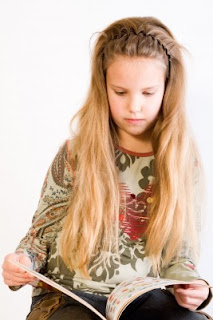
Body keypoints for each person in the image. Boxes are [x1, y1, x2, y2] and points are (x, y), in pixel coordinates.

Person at [2, 16, 212, 320]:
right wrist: (22, 261)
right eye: (121, 92)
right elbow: (40, 236)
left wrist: (193, 287)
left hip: (143, 299)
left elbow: (182, 255)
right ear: (104, 88)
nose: (135, 106)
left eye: (148, 93)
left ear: (167, 89)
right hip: (68, 296)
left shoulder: (182, 163)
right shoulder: (75, 153)